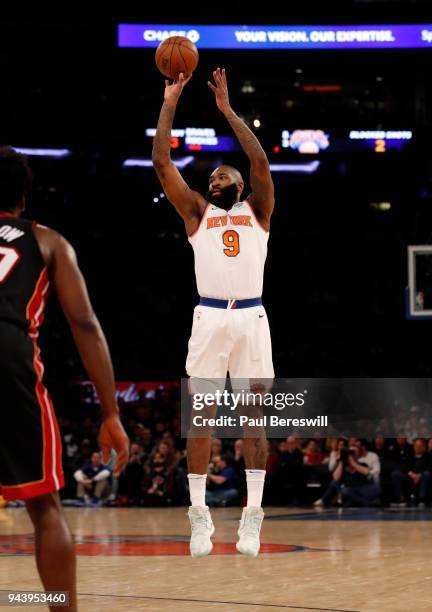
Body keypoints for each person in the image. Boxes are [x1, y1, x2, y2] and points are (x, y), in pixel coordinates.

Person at [0, 146, 130, 611]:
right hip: (9, 354)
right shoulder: (46, 240)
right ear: (23, 199)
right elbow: (86, 325)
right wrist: (111, 413)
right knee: (44, 506)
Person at [152, 68, 275, 557]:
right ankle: (199, 514)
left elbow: (261, 161)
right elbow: (162, 163)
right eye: (211, 176)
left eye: (223, 175)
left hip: (252, 318)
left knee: (254, 421)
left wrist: (228, 112)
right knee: (200, 418)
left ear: (241, 186)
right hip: (208, 318)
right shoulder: (199, 214)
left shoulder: (258, 211)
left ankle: (253, 515)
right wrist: (170, 102)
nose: (215, 178)